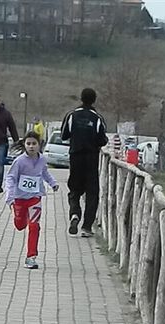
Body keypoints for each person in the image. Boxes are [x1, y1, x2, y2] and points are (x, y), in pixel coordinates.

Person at [5, 131, 59, 269]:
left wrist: (53, 183)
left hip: (35, 198)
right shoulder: (19, 161)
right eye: (28, 144)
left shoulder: (42, 160)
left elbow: (45, 172)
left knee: (34, 226)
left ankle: (31, 257)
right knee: (20, 225)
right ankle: (18, 217)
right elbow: (10, 178)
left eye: (34, 144)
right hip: (19, 199)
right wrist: (10, 196)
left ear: (39, 145)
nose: (31, 146)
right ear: (24, 145)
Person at [61, 87, 108, 238]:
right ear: (94, 100)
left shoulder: (71, 115)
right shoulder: (98, 118)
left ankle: (75, 213)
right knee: (92, 193)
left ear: (81, 99)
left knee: (74, 190)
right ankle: (87, 227)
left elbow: (63, 135)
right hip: (91, 159)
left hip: (75, 157)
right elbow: (102, 139)